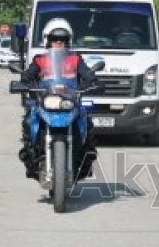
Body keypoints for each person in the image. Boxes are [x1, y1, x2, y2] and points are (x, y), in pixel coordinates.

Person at [18, 18, 103, 179]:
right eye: (55, 39)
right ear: (48, 41)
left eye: (62, 40)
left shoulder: (75, 59)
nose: (59, 43)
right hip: (46, 100)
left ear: (68, 41)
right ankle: (32, 157)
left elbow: (86, 74)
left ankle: (84, 160)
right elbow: (27, 76)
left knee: (86, 121)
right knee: (29, 120)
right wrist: (23, 83)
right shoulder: (40, 60)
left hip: (69, 101)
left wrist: (93, 82)